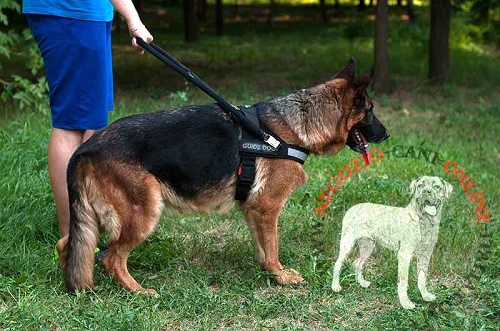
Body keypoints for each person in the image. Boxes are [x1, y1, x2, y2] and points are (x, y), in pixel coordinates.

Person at [22, 0, 154, 239]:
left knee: (91, 121)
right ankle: (72, 240)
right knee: (70, 125)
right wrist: (133, 19)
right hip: (72, 13)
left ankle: (86, 227)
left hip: (85, 13)